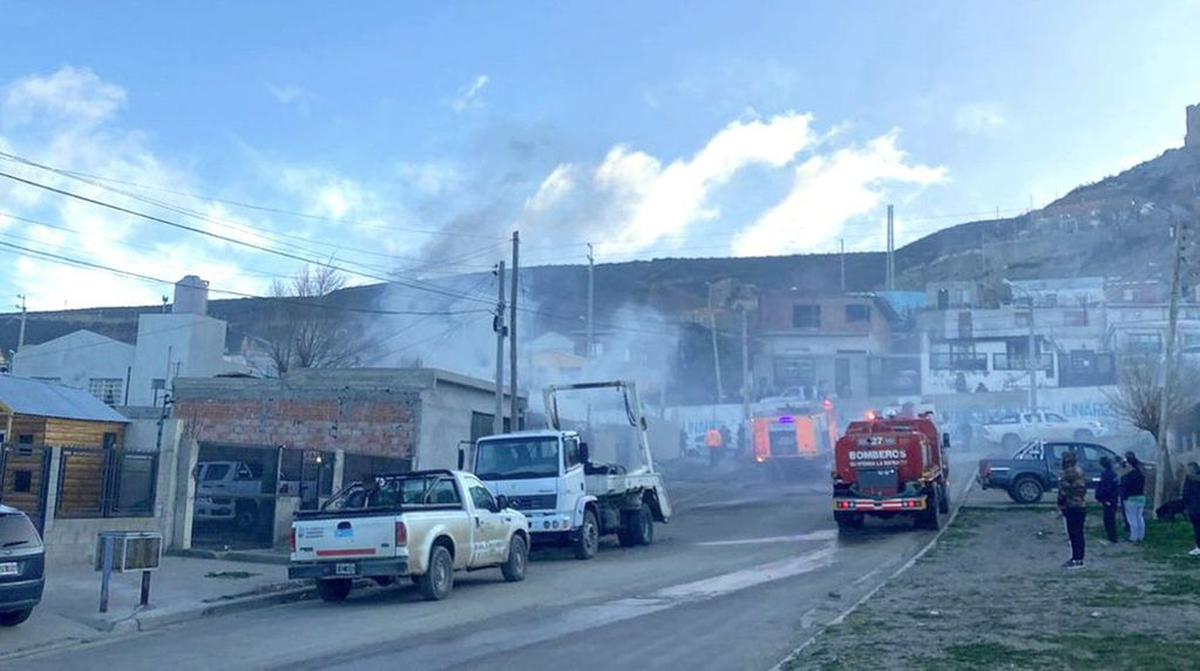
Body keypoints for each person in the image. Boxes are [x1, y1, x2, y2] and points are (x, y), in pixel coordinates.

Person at [1057, 450, 1088, 568]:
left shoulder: (1068, 473)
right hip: (1080, 505)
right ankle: (1078, 558)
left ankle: (1076, 559)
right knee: (1079, 533)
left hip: (1071, 506)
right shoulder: (1079, 471)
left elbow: (1063, 491)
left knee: (1073, 534)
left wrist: (1060, 504)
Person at [1120, 452, 1147, 543]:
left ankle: (1133, 537)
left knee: (1132, 519)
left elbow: (1124, 487)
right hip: (1141, 497)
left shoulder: (1128, 476)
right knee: (1140, 517)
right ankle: (1141, 536)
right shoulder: (1140, 474)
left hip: (1131, 498)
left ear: (1129, 464)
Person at [1095, 456, 1120, 543]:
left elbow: (1106, 488)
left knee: (1109, 518)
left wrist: (1099, 495)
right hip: (1112, 498)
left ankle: (1112, 537)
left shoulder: (1107, 474)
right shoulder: (1112, 474)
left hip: (1109, 499)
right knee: (1110, 518)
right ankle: (1111, 536)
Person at [1183, 461, 1200, 557]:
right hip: (1194, 507)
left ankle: (1198, 547)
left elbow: (1186, 493)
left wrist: (1185, 505)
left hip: (1194, 507)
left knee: (1197, 528)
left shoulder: (1189, 479)